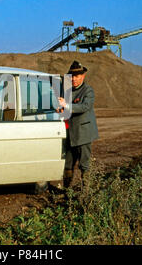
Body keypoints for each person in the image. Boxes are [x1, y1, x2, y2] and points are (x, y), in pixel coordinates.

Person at [58, 60, 99, 188]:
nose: (74, 79)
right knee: (67, 165)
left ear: (83, 76)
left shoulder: (88, 91)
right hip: (70, 134)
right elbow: (66, 109)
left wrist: (67, 105)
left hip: (83, 135)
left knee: (84, 165)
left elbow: (85, 106)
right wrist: (61, 110)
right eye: (72, 76)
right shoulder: (67, 91)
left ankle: (86, 194)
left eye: (77, 76)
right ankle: (66, 193)